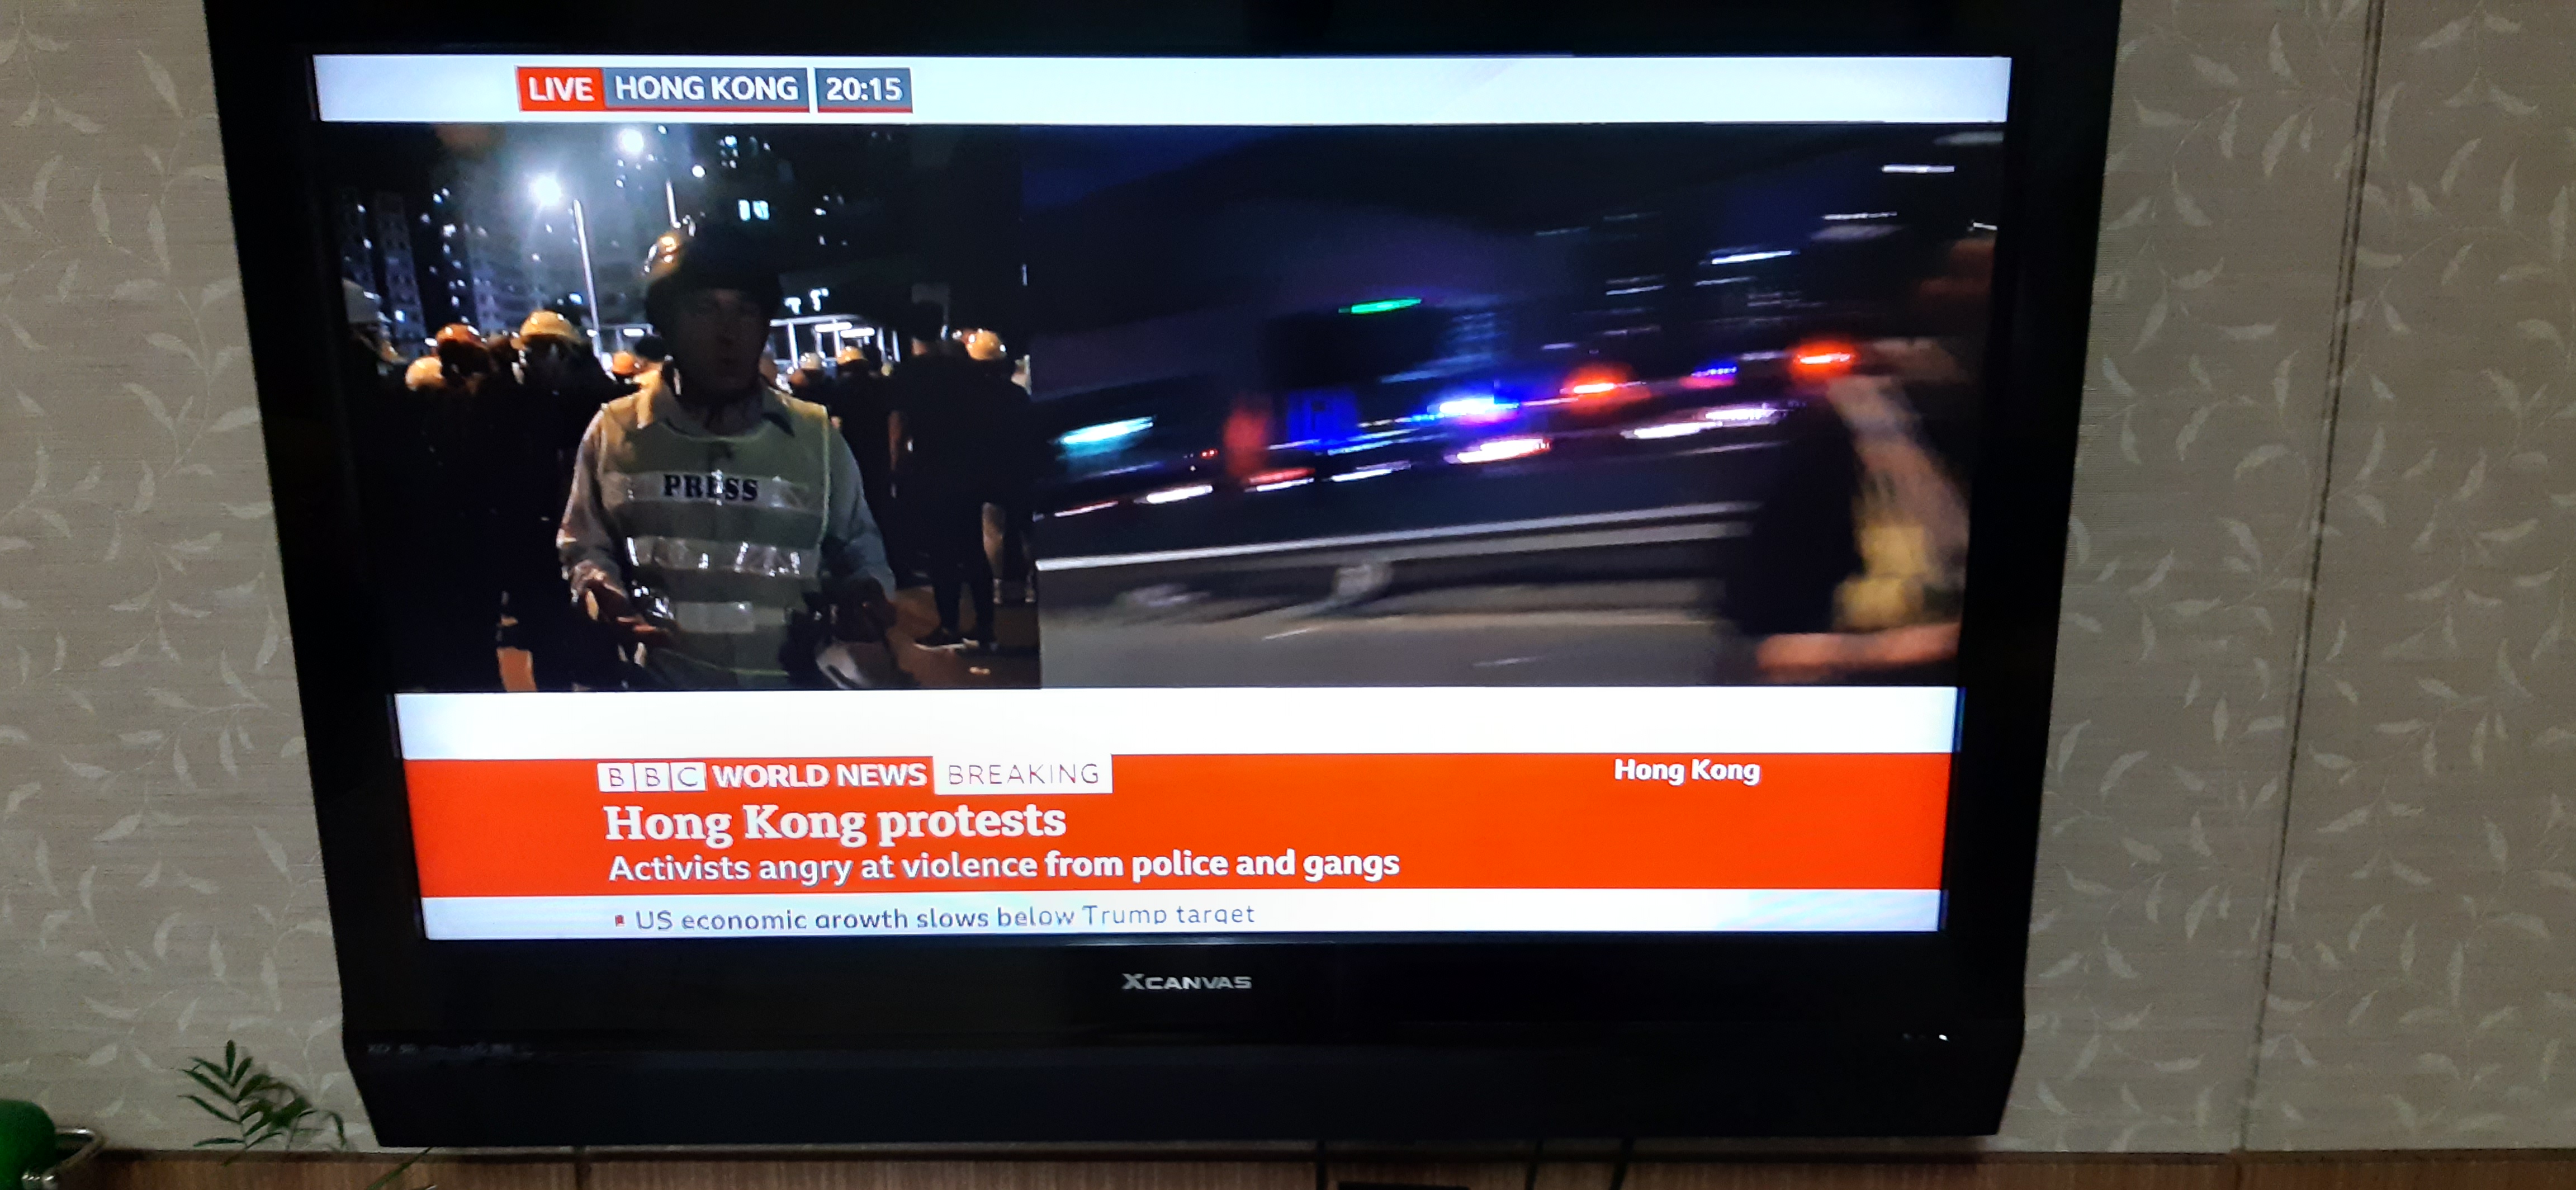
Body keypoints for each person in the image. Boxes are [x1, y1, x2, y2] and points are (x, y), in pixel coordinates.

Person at [558, 225, 897, 690]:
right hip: (666, 698)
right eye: (704, 310)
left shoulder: (816, 435)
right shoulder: (615, 432)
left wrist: (867, 593)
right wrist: (599, 594)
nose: (728, 333)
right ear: (666, 323)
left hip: (789, 701)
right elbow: (584, 547)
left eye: (746, 310)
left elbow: (862, 550)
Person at [888, 306, 1032, 648]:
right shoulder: (961, 368)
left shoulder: (908, 373)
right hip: (966, 468)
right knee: (972, 549)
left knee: (941, 552)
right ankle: (985, 625)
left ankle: (949, 625)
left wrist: (897, 465)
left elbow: (899, 424)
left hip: (930, 466)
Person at [493, 310, 621, 690]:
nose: (526, 363)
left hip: (587, 539)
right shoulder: (529, 402)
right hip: (544, 541)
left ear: (560, 352)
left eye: (534, 353)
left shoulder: (595, 404)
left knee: (593, 643)